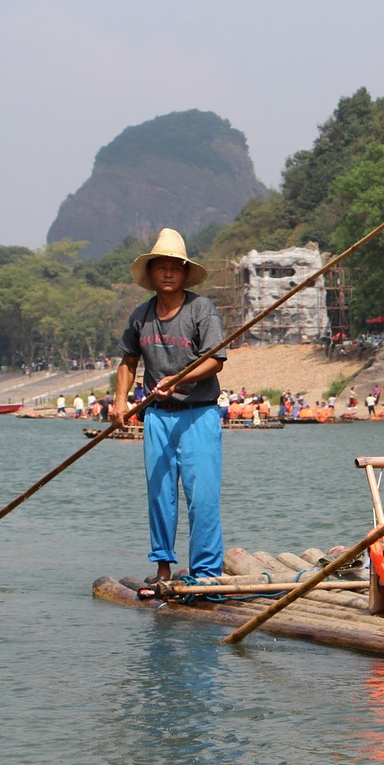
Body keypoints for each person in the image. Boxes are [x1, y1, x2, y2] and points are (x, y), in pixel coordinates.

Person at [112, 228, 227, 582]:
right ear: (150, 273)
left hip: (198, 415)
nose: (167, 273)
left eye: (174, 268)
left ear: (183, 273)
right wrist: (119, 401)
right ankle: (163, 568)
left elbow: (216, 359)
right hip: (158, 418)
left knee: (202, 496)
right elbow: (128, 362)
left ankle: (206, 573)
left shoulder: (200, 309)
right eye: (160, 267)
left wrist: (179, 380)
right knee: (160, 495)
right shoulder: (140, 316)